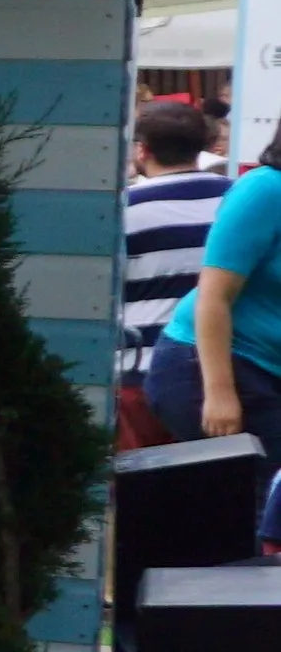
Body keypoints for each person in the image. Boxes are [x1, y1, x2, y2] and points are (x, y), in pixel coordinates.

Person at [165, 122, 281, 473]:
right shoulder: (266, 189)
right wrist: (219, 393)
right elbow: (214, 296)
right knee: (251, 506)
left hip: (268, 371)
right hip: (216, 365)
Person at [119, 96, 230, 448]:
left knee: (145, 493)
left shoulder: (124, 211)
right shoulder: (238, 201)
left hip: (141, 371)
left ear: (142, 150)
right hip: (228, 374)